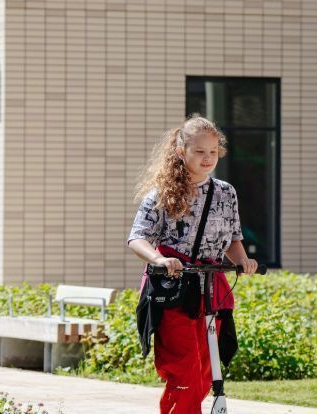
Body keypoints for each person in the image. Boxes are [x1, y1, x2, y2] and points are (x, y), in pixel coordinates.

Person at [127, 116, 257, 414]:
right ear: (180, 150)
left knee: (203, 373)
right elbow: (137, 239)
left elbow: (234, 239)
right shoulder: (161, 193)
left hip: (212, 290)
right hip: (174, 288)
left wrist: (243, 261)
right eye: (199, 151)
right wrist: (160, 259)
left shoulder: (226, 192)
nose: (207, 158)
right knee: (184, 371)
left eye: (213, 151)